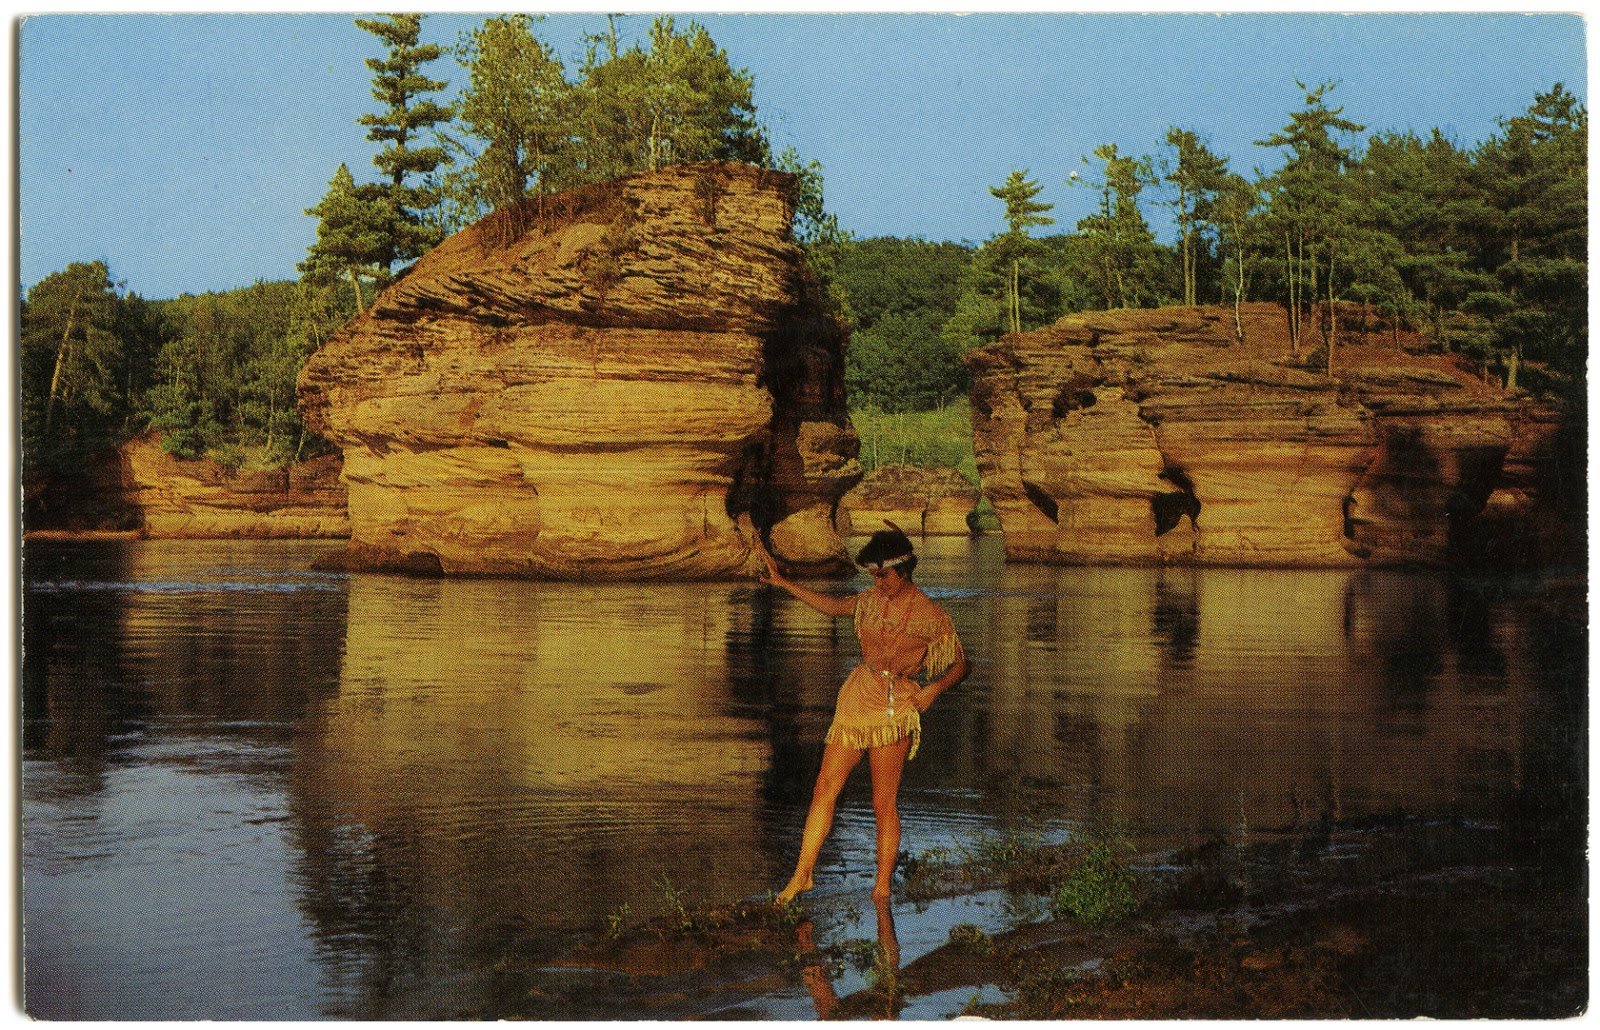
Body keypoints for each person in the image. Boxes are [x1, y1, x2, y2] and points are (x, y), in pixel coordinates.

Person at [761, 526, 970, 903]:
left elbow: (961, 665)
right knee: (824, 786)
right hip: (858, 697)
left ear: (904, 570)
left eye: (883, 575)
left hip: (896, 707)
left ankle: (881, 886)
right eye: (873, 575)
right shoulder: (868, 601)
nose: (877, 581)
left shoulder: (932, 616)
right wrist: (783, 584)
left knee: (882, 802)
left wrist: (934, 689)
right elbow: (832, 606)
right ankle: (801, 874)